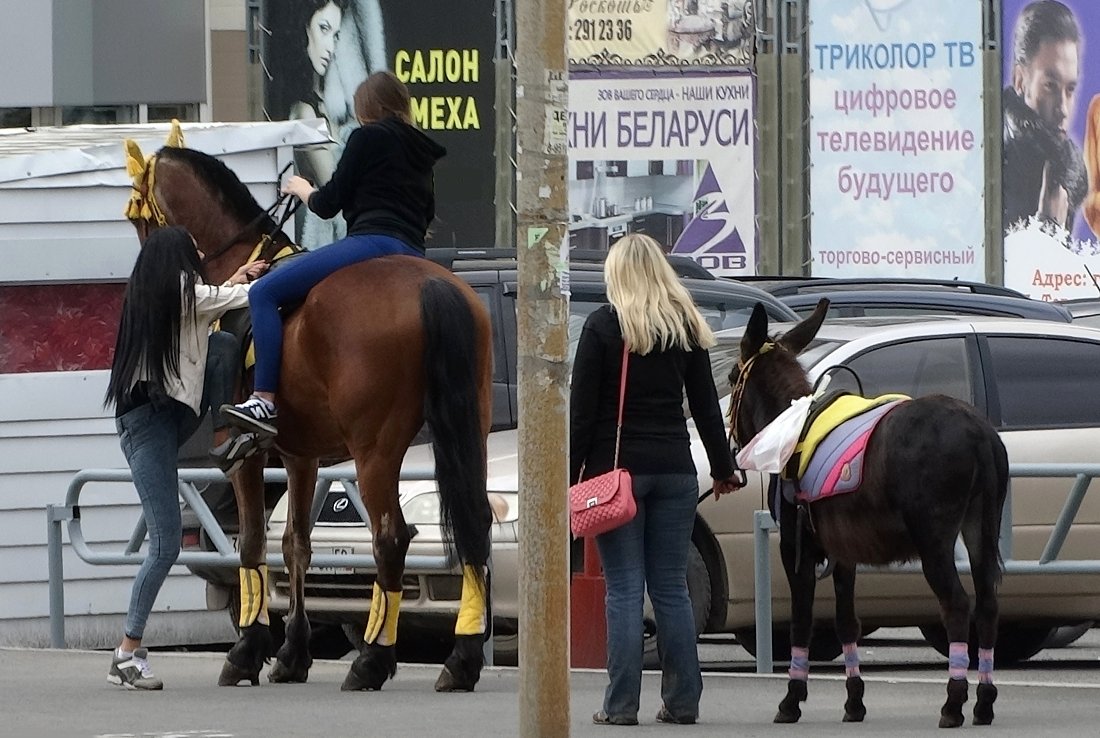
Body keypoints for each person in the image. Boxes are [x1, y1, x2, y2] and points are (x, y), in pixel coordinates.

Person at [569, 234, 744, 726]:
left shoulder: (604, 327)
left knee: (624, 588)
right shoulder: (685, 328)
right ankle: (684, 701)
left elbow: (581, 416)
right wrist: (724, 467)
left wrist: (569, 478)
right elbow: (708, 409)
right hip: (676, 472)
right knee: (671, 587)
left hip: (617, 476)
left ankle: (621, 705)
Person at [221, 71, 446, 437]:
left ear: (367, 108)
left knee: (264, 292)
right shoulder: (423, 151)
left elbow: (328, 205)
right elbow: (425, 214)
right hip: (413, 251)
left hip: (373, 243)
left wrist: (302, 189)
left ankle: (263, 398)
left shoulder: (366, 137)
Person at [103, 226, 268, 689]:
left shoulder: (163, 294)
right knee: (165, 545)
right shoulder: (180, 292)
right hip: (150, 426)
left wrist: (235, 276)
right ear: (177, 257)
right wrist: (268, 283)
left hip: (170, 416)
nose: (200, 251)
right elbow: (220, 300)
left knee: (221, 346)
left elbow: (209, 299)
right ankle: (126, 653)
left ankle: (224, 428)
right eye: (193, 248)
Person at [1003, 0, 1088, 231]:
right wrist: (1048, 228)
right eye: (1050, 85)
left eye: (1070, 89)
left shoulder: (1063, 171)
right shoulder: (998, 163)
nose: (1063, 109)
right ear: (1020, 80)